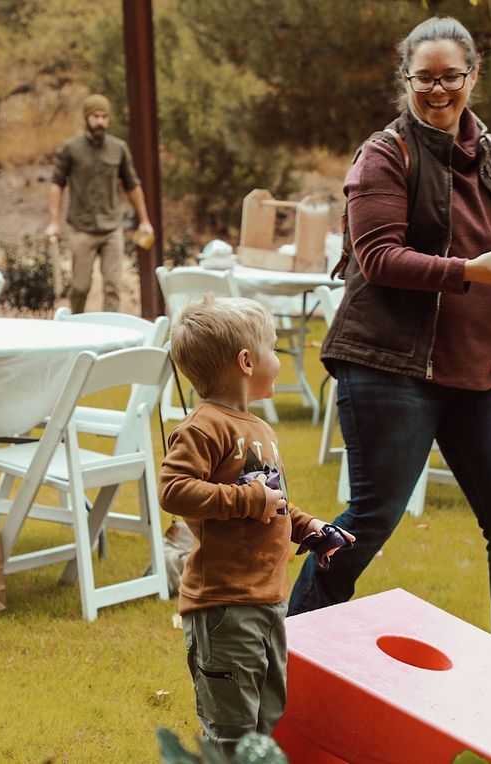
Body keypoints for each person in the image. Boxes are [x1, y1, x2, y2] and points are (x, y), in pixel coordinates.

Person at [288, 16, 491, 665]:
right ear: (405, 78)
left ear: (472, 76)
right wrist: (470, 271)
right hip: (390, 368)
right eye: (424, 79)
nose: (437, 91)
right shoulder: (384, 154)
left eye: (450, 78)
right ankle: (287, 657)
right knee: (370, 521)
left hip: (485, 372)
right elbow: (379, 255)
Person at [158, 294, 353, 754]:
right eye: (274, 349)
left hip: (266, 599)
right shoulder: (204, 428)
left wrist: (307, 527)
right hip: (224, 605)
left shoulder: (258, 430)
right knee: (231, 729)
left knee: (265, 717)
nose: (279, 359)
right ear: (247, 362)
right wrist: (248, 499)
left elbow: (272, 501)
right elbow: (173, 489)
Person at [45, 93, 154, 313]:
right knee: (80, 286)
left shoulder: (118, 148)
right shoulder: (70, 149)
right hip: (81, 228)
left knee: (113, 285)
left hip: (111, 227)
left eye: (105, 117)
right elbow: (57, 184)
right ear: (87, 117)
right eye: (96, 116)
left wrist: (144, 220)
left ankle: (111, 334)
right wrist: (54, 222)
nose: (101, 122)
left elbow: (132, 184)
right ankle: (75, 326)